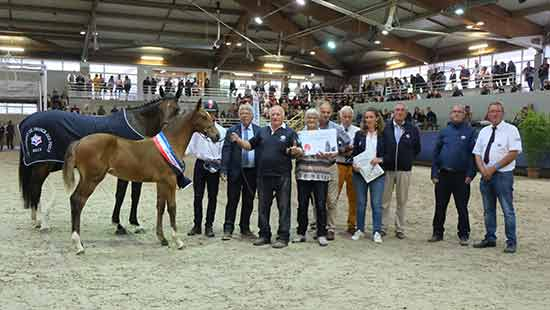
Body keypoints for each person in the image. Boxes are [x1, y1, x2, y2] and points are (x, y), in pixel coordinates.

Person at [230, 105, 303, 249]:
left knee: (284, 207)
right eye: (273, 114)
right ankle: (264, 234)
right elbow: (249, 145)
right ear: (268, 116)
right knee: (263, 206)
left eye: (278, 114)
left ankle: (283, 236)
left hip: (283, 176)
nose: (275, 117)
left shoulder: (290, 132)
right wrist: (238, 140)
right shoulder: (262, 131)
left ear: (283, 116)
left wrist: (296, 151)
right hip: (263, 176)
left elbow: (300, 150)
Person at [472, 102, 522, 253]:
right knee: (488, 209)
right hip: (485, 175)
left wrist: (493, 169)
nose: (495, 114)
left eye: (498, 111)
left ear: (502, 113)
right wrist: (483, 170)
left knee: (507, 209)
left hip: (503, 175)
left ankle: (511, 241)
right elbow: (477, 153)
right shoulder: (484, 131)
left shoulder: (511, 130)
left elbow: (513, 153)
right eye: (492, 111)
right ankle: (490, 238)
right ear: (488, 114)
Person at [429, 105, 476, 245]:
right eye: (454, 112)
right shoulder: (444, 131)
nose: (456, 114)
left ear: (464, 115)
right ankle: (437, 233)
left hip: (462, 177)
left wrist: (471, 174)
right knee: (440, 206)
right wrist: (434, 172)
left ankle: (463, 234)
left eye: (459, 112)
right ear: (451, 114)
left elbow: (473, 155)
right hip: (443, 175)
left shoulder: (471, 131)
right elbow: (436, 153)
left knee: (462, 207)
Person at [292, 108, 335, 247]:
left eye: (314, 118)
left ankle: (321, 233)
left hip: (321, 174)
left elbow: (332, 157)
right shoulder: (298, 135)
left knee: (321, 205)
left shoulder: (325, 135)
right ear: (305, 119)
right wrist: (296, 152)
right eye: (309, 118)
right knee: (302, 204)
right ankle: (301, 232)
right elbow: (293, 154)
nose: (311, 120)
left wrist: (328, 156)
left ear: (318, 120)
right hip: (303, 174)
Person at [378, 103, 421, 239]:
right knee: (384, 201)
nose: (400, 112)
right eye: (397, 110)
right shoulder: (385, 128)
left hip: (404, 170)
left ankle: (400, 228)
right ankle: (383, 227)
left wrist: (407, 159)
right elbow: (380, 146)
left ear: (406, 113)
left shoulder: (413, 129)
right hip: (387, 170)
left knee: (402, 200)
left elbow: (417, 149)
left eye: (402, 110)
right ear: (393, 112)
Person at [220, 104, 260, 240]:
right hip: (236, 171)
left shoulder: (259, 131)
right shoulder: (232, 130)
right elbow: (226, 150)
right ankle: (228, 228)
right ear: (238, 115)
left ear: (252, 115)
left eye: (247, 112)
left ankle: (245, 228)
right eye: (242, 113)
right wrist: (224, 169)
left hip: (252, 172)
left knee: (249, 201)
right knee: (232, 200)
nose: (244, 115)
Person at [187, 102, 226, 238]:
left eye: (213, 111)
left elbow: (223, 152)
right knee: (198, 196)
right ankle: (197, 224)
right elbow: (188, 149)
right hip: (201, 164)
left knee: (212, 197)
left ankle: (209, 225)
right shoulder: (197, 133)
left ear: (216, 113)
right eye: (208, 112)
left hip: (215, 165)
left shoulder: (222, 131)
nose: (211, 114)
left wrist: (222, 168)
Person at [318, 102, 352, 240]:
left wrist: (338, 151)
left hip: (332, 166)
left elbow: (349, 144)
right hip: (315, 167)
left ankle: (330, 228)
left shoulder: (336, 128)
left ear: (331, 113)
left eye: (328, 112)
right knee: (318, 200)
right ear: (318, 112)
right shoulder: (311, 126)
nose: (325, 115)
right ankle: (320, 226)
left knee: (332, 200)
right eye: (323, 112)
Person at [351, 108, 385, 243]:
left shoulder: (383, 135)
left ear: (377, 118)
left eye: (371, 117)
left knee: (376, 204)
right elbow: (354, 153)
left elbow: (389, 154)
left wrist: (381, 159)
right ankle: (359, 229)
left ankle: (377, 231)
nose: (368, 120)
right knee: (360, 203)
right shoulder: (359, 134)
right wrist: (354, 165)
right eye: (366, 117)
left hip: (377, 174)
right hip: (360, 174)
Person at [336, 106, 360, 234]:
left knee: (353, 196)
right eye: (344, 116)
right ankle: (330, 224)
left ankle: (352, 223)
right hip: (338, 164)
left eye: (349, 117)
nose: (347, 119)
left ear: (352, 117)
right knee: (333, 196)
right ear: (340, 117)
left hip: (353, 166)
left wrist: (351, 151)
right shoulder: (334, 130)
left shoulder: (358, 131)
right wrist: (343, 150)